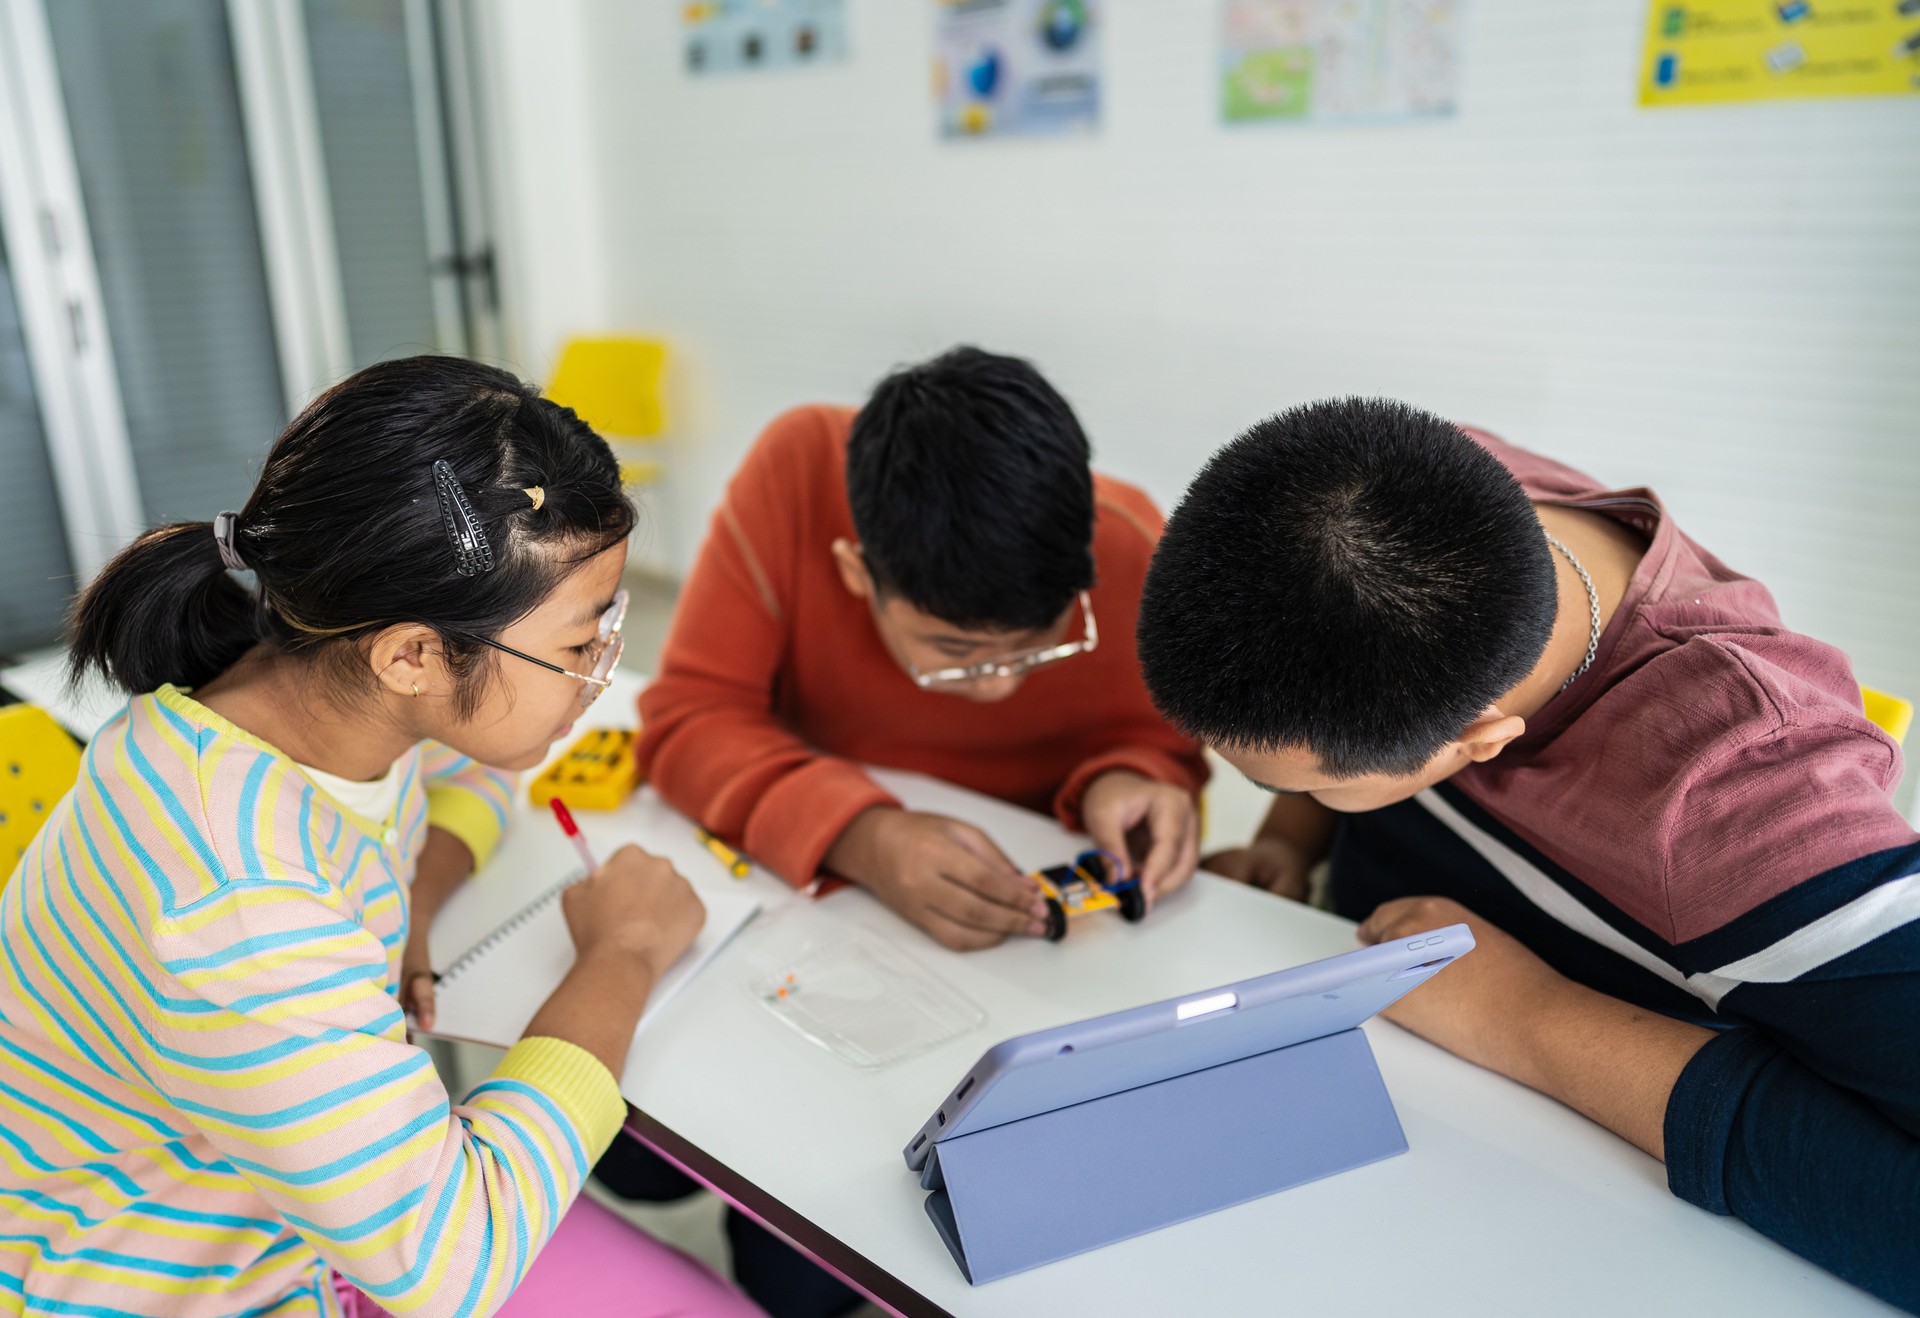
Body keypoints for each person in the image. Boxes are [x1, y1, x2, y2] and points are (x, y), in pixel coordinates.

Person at [0, 357, 760, 1317]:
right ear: (412, 655)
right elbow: (452, 1262)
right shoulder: (233, 908)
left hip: (301, 1213)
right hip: (174, 1283)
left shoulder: (300, 685)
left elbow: (472, 759)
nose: (600, 675)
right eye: (581, 646)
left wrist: (415, 899)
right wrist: (623, 952)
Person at [1135, 397, 1919, 1313]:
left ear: (1480, 739)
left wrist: (1528, 1018)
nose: (1292, 803)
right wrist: (1290, 840)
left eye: (1298, 789)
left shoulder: (1750, 803)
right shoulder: (1408, 490)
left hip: (1571, 1218)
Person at [616, 346, 1207, 1316]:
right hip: (815, 940)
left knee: (837, 1257)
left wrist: (1135, 777)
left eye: (1043, 641)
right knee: (679, 1172)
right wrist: (858, 834)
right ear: (857, 571)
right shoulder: (797, 473)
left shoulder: (1133, 541)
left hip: (1027, 983)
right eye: (956, 652)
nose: (1004, 686)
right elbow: (688, 718)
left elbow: (1155, 737)